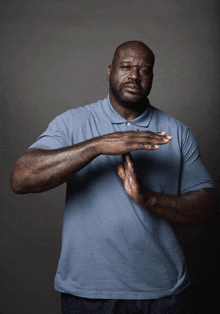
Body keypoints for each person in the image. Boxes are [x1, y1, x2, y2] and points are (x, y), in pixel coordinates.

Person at [11, 41, 217, 313]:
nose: (134, 75)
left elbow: (207, 208)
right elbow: (22, 178)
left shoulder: (175, 132)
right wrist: (98, 145)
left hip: (164, 295)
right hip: (88, 294)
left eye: (144, 70)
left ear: (152, 77)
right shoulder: (72, 123)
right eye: (126, 67)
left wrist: (149, 199)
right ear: (109, 71)